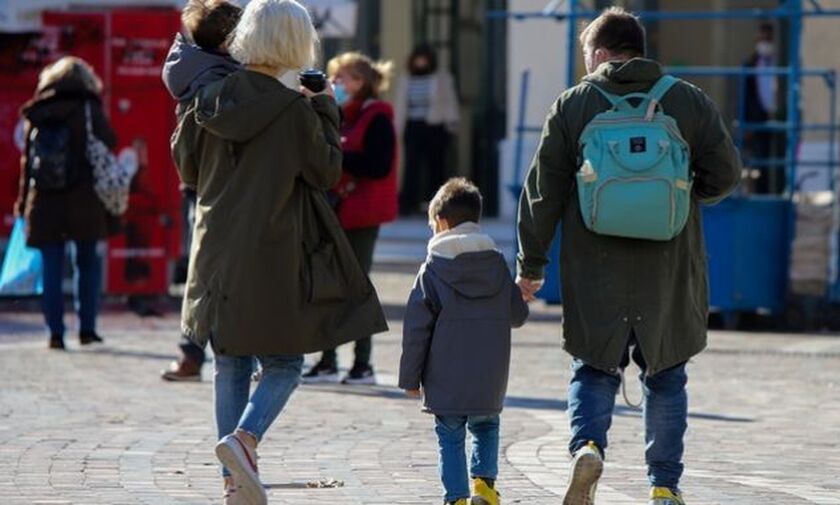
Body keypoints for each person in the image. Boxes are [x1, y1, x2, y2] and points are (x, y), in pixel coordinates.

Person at [516, 7, 740, 505]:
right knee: (666, 374)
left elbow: (541, 193)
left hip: (596, 265)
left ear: (597, 54)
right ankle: (663, 485)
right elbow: (726, 174)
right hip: (669, 262)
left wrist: (530, 266)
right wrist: (679, 195)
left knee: (594, 368)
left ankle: (588, 446)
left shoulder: (573, 105)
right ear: (638, 49)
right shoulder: (687, 101)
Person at [171, 0, 387, 503]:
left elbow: (187, 169)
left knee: (230, 362)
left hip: (215, 247)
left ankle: (234, 485)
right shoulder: (293, 106)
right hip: (271, 250)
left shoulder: (209, 95)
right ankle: (243, 442)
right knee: (285, 363)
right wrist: (325, 104)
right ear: (297, 42)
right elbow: (326, 172)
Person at [399, 178, 528, 505]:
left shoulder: (432, 268)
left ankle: (456, 498)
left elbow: (417, 328)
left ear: (441, 222)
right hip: (489, 374)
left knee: (451, 437)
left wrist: (410, 379)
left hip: (445, 376)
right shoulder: (497, 263)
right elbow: (517, 315)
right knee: (486, 427)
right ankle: (484, 485)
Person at [301, 51, 398, 385]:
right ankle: (327, 361)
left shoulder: (377, 116)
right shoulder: (339, 113)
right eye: (336, 77)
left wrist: (337, 155)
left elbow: (379, 165)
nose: (338, 83)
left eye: (347, 78)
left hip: (361, 214)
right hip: (336, 211)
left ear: (365, 82)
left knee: (356, 288)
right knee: (328, 287)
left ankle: (363, 364)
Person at [160, 0, 242, 382]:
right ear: (228, 41)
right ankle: (200, 352)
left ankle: (194, 352)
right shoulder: (217, 77)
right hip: (220, 183)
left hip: (198, 183)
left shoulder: (191, 66)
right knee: (211, 269)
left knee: (203, 267)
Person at [15, 56, 118, 350]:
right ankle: (86, 329)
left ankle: (55, 333)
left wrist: (23, 205)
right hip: (83, 200)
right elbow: (109, 140)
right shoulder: (89, 108)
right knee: (87, 264)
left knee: (51, 268)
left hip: (45, 202)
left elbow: (27, 164)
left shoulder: (37, 110)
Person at [394, 45, 459, 215]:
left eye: (424, 58)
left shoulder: (441, 78)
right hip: (413, 126)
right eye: (418, 58)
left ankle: (439, 203)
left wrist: (451, 124)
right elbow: (401, 104)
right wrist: (397, 127)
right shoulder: (406, 79)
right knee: (412, 166)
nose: (421, 62)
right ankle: (409, 203)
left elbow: (449, 101)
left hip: (435, 126)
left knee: (436, 166)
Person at [743, 22, 783, 194]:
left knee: (779, 158)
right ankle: (761, 193)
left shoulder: (779, 62)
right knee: (760, 160)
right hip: (758, 119)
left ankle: (779, 190)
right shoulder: (750, 64)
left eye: (768, 38)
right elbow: (745, 96)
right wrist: (748, 122)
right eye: (761, 38)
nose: (764, 42)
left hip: (777, 117)